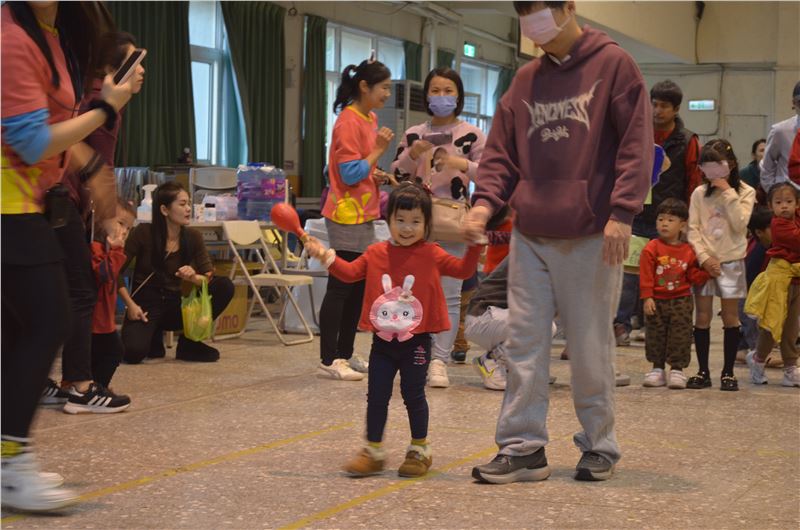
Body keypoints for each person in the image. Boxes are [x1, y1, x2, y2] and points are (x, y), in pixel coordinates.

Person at [464, 1, 653, 483]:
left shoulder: (614, 65)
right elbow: (500, 152)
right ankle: (523, 446)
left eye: (543, 17)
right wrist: (484, 205)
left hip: (591, 231)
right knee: (523, 343)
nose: (536, 31)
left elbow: (636, 143)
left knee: (588, 347)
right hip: (531, 233)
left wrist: (622, 212)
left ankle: (599, 444)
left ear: (568, 8)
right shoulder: (526, 80)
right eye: (527, 21)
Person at [1, 0, 133, 512]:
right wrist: (106, 108)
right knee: (48, 320)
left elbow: (49, 123)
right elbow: (32, 142)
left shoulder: (50, 32)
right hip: (9, 204)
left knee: (21, 330)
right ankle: (10, 463)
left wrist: (90, 163)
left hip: (25, 201)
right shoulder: (14, 38)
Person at [305, 183, 482, 477]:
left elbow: (463, 271)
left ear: (427, 224)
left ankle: (420, 449)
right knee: (376, 396)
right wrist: (325, 256)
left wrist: (474, 245)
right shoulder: (376, 252)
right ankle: (373, 450)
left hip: (417, 344)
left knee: (413, 395)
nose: (407, 227)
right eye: (400, 220)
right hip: (383, 344)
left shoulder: (432, 253)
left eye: (415, 221)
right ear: (388, 221)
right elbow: (349, 274)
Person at [43, 30, 146, 407]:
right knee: (79, 290)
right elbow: (90, 163)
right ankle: (80, 386)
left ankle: (46, 380)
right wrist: (107, 215)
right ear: (109, 70)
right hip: (54, 201)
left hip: (60, 202)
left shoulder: (99, 103)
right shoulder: (95, 103)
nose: (142, 71)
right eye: (134, 62)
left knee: (54, 292)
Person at [391, 66, 486, 388]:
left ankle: (439, 361)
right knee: (409, 291)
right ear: (426, 95)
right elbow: (396, 174)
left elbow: (491, 175)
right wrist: (412, 154)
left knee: (450, 295)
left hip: (452, 222)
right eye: (435, 90)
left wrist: (462, 164)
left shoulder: (472, 134)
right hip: (413, 224)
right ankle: (412, 354)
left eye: (448, 91)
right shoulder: (415, 132)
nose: (441, 97)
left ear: (458, 96)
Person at [317, 58, 394, 381]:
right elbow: (348, 173)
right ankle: (329, 358)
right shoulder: (347, 121)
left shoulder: (370, 117)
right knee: (340, 287)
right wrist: (378, 151)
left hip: (364, 213)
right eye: (384, 88)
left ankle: (345, 353)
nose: (387, 94)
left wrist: (376, 173)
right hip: (345, 214)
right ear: (364, 86)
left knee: (357, 287)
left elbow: (361, 168)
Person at [614, 79, 702, 346]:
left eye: (664, 106)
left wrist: (686, 220)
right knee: (629, 275)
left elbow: (693, 180)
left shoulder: (688, 140)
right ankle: (620, 325)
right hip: (637, 213)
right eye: (654, 104)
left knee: (667, 274)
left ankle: (661, 325)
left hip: (670, 218)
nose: (657, 110)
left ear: (676, 109)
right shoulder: (637, 134)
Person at [118, 181, 234, 363]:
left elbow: (208, 277)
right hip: (145, 305)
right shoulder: (143, 232)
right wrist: (130, 305)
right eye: (182, 204)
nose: (188, 209)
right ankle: (151, 335)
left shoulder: (193, 236)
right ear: (164, 210)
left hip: (175, 303)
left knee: (224, 285)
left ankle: (189, 344)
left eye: (188, 203)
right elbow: (114, 272)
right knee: (133, 353)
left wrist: (193, 277)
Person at [686, 139, 756, 391]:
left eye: (718, 166)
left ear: (731, 164)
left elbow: (740, 224)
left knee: (730, 316)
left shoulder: (745, 192)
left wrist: (727, 192)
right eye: (707, 167)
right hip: (705, 263)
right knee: (702, 316)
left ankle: (728, 373)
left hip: (732, 261)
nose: (713, 172)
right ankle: (703, 371)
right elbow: (692, 229)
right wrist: (704, 258)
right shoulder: (698, 193)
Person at [639, 199, 709, 389]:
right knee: (655, 335)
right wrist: (647, 297)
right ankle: (657, 369)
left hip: (681, 300)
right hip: (657, 300)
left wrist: (708, 273)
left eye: (670, 220)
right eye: (660, 219)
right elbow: (646, 275)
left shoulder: (688, 250)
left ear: (682, 225)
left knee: (681, 334)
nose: (664, 223)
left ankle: (677, 370)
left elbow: (692, 275)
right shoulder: (652, 248)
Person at [744, 182, 800, 387]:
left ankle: (790, 368)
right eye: (778, 202)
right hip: (778, 281)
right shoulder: (778, 225)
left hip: (796, 281)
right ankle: (758, 360)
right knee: (771, 325)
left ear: (797, 204)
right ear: (770, 206)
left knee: (792, 328)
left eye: (789, 201)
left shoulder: (796, 218)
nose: (784, 206)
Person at [736, 206, 773, 362]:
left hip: (757, 292)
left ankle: (742, 349)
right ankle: (757, 351)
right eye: (772, 228)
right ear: (759, 232)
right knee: (752, 319)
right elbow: (748, 282)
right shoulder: (758, 251)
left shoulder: (767, 244)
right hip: (747, 294)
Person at [760, 81, 800, 193]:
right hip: (788, 193)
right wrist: (774, 193)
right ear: (793, 103)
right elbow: (767, 167)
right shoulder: (780, 131)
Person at [739, 138, 767, 204]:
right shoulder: (744, 174)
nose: (766, 153)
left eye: (768, 150)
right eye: (762, 150)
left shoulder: (778, 172)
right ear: (754, 155)